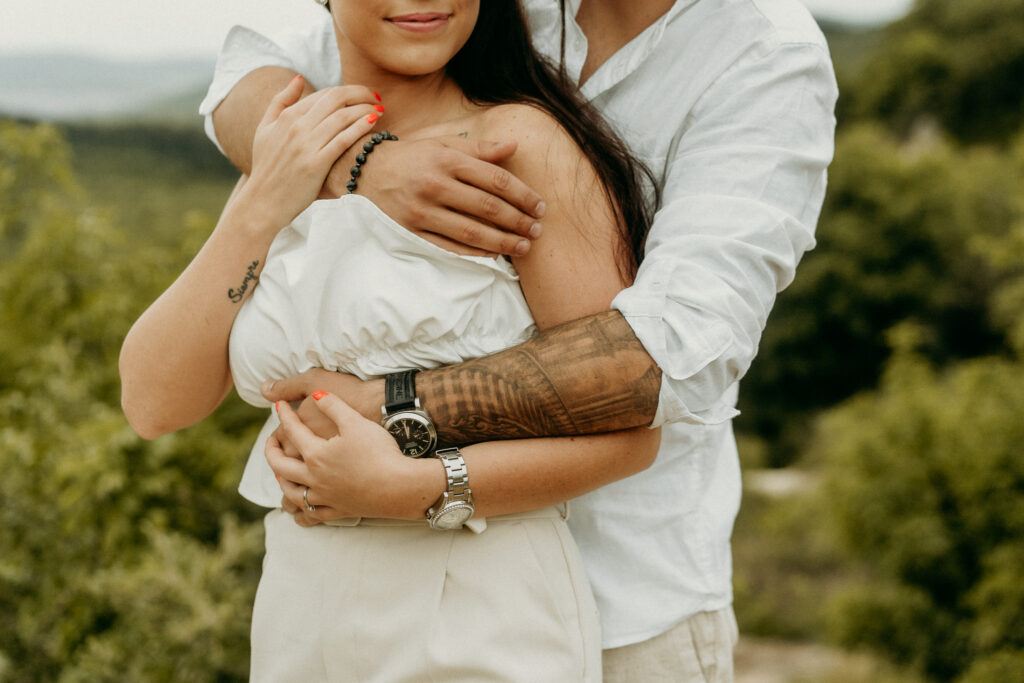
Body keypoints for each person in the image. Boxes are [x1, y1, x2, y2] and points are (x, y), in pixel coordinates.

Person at [201, 0, 838, 679]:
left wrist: (386, 408)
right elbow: (244, 79)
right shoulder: (473, 8)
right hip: (366, 595)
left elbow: (663, 362)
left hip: (630, 600)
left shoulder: (764, 53)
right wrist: (367, 164)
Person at [121, 0, 664, 680]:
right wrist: (266, 198)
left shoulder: (516, 144)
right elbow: (153, 403)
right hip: (301, 603)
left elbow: (632, 430)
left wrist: (418, 486)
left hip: (479, 601)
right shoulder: (298, 151)